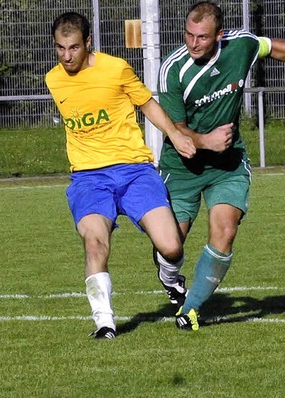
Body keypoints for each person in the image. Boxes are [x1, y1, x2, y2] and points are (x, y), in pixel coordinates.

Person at [45, 12, 197, 339]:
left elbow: (147, 104)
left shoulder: (116, 68)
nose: (66, 56)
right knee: (94, 243)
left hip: (134, 171)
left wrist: (175, 134)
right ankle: (105, 323)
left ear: (88, 43)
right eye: (60, 48)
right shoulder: (53, 79)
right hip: (88, 178)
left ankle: (170, 280)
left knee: (171, 247)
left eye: (73, 48)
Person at [157, 1, 285, 331]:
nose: (193, 42)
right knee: (170, 245)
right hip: (183, 165)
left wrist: (219, 146)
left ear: (219, 34)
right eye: (188, 34)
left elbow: (274, 48)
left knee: (225, 231)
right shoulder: (173, 69)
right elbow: (177, 129)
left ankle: (191, 309)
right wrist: (207, 140)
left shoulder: (240, 44)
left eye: (202, 37)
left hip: (227, 165)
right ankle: (170, 273)